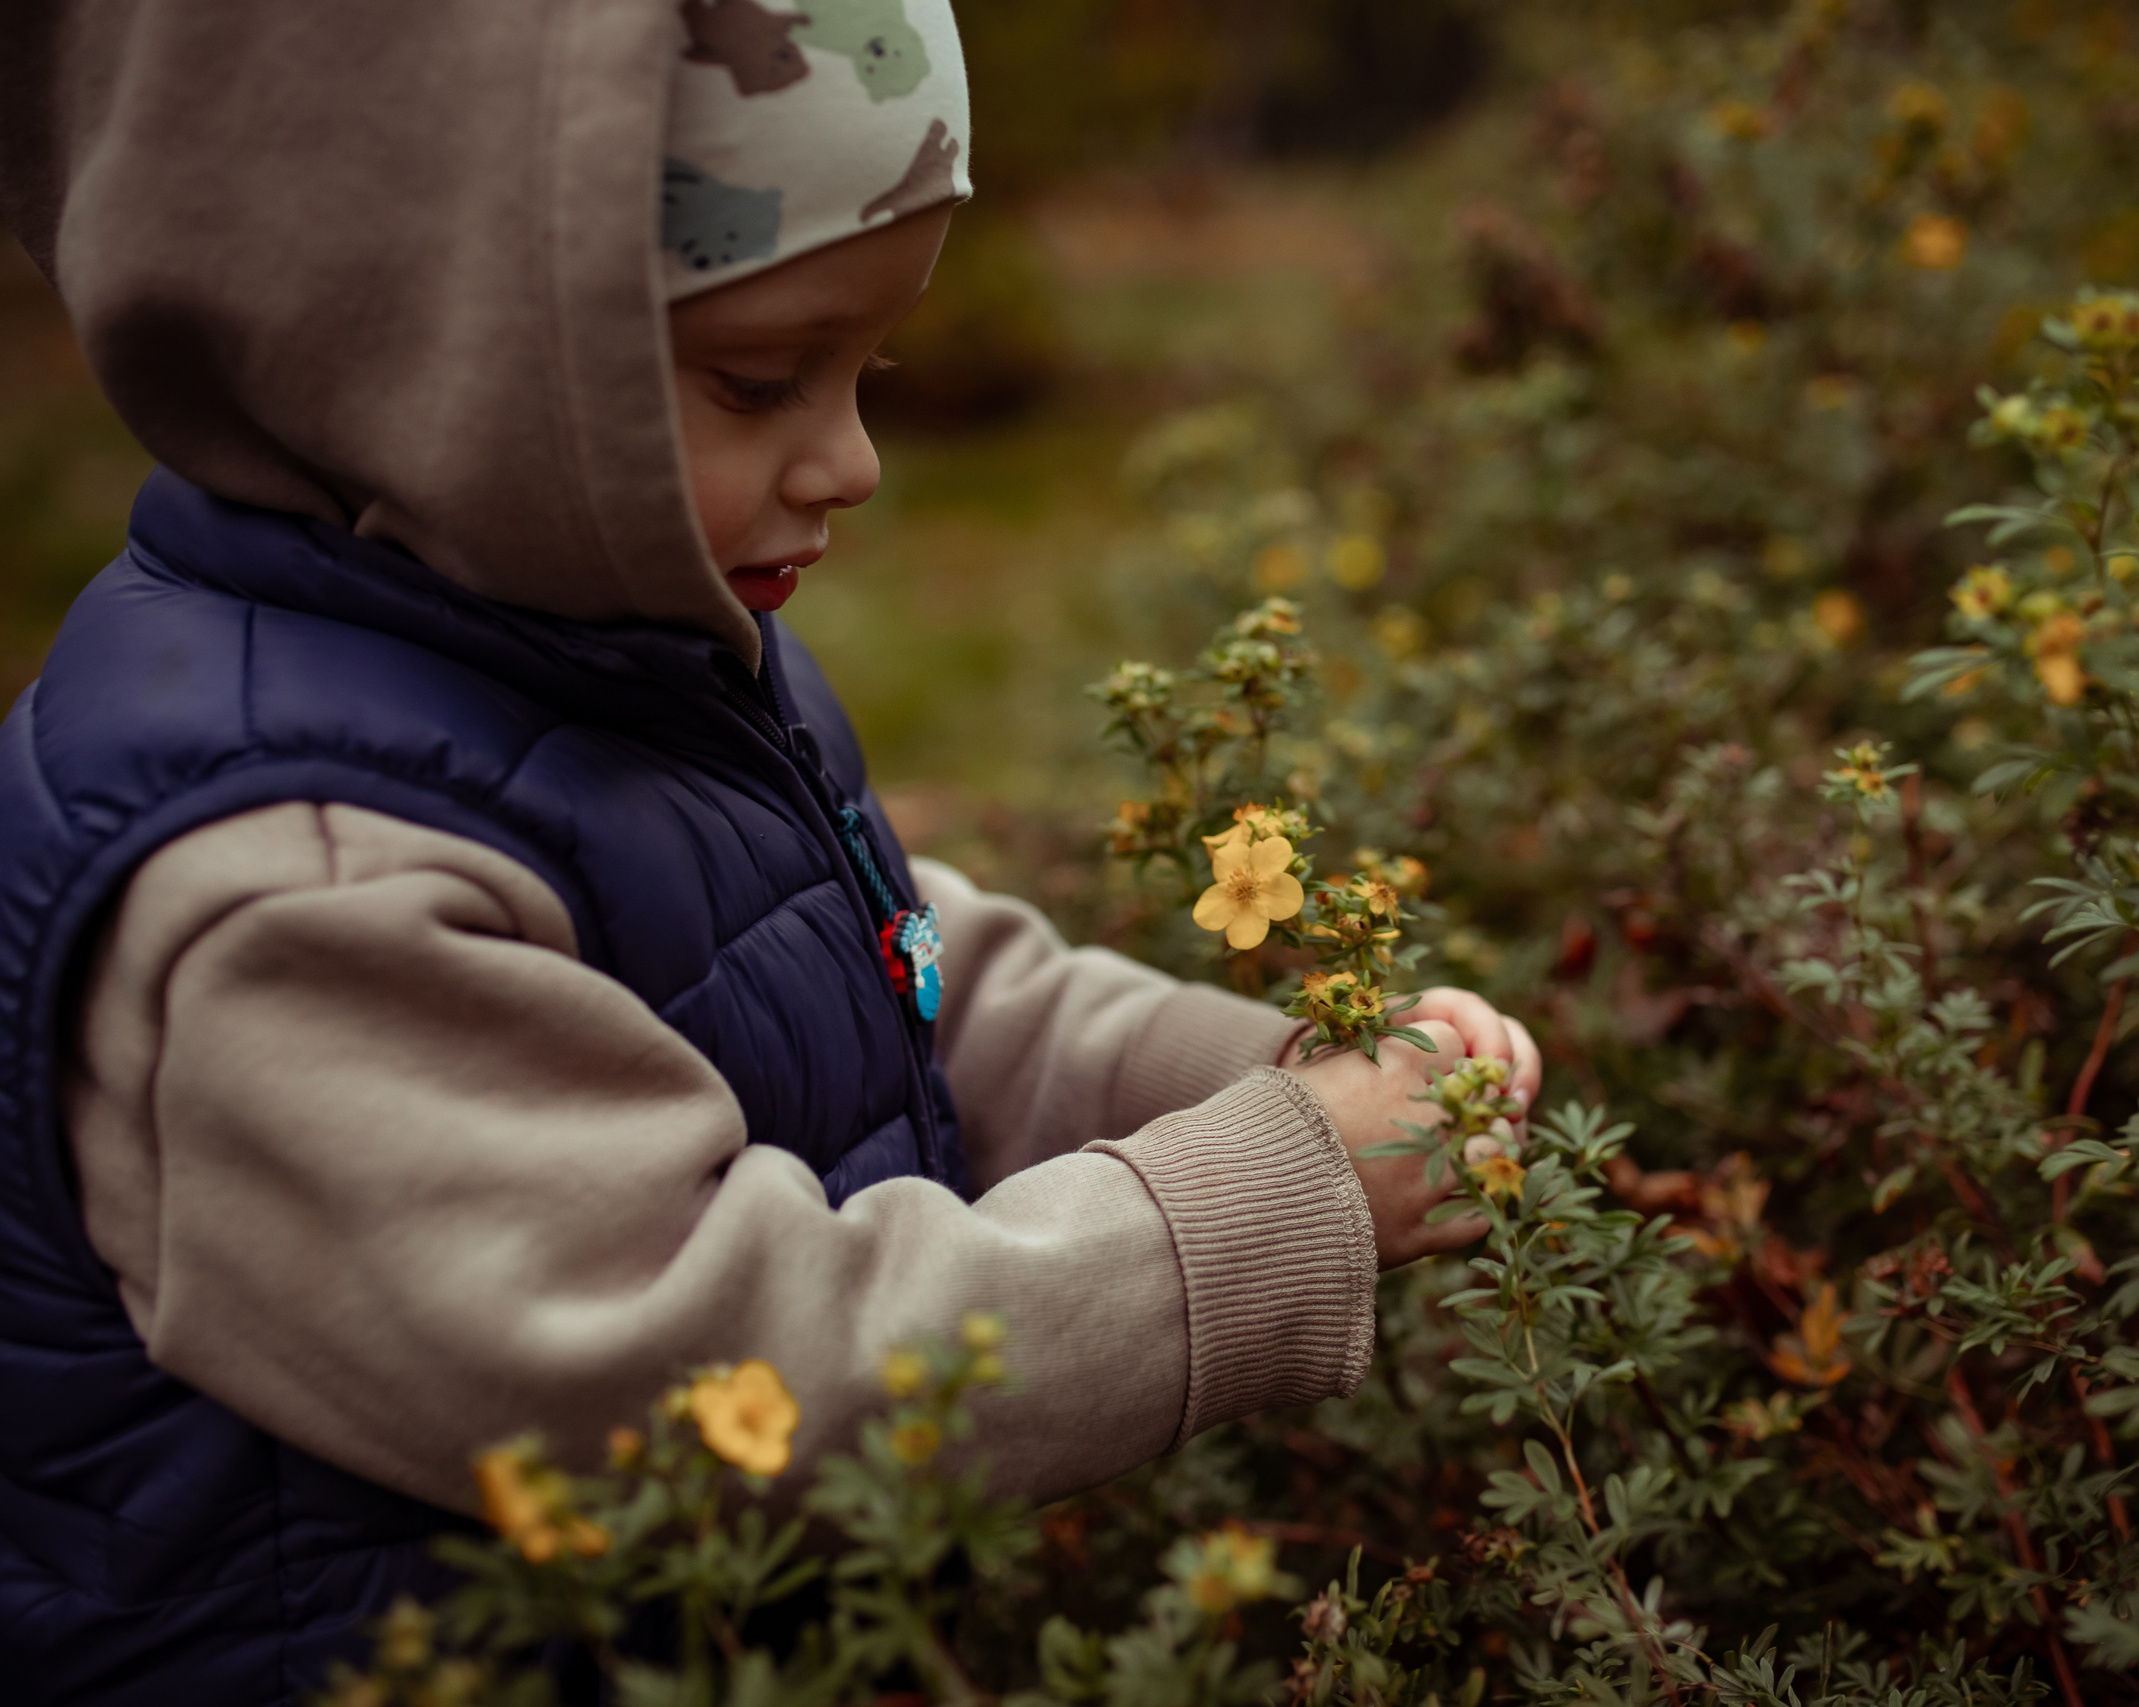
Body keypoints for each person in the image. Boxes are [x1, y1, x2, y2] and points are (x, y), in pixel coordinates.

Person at [0, 3, 1538, 1700]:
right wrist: (1273, 1192)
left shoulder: (607, 635)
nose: (858, 460)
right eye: (761, 378)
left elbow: (881, 965)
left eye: (865, 371)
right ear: (438, 354)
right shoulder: (288, 896)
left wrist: (1263, 1069)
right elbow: (719, 1370)